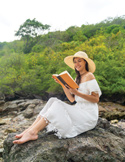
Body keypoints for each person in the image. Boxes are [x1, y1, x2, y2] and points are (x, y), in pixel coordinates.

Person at [13, 51, 102, 144]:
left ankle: (33, 132)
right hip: (78, 109)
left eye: (79, 61)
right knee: (52, 100)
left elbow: (96, 99)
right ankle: (29, 129)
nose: (77, 64)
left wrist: (77, 93)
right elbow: (72, 99)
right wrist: (63, 84)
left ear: (85, 62)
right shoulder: (77, 78)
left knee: (57, 105)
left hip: (88, 114)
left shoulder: (89, 76)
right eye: (75, 62)